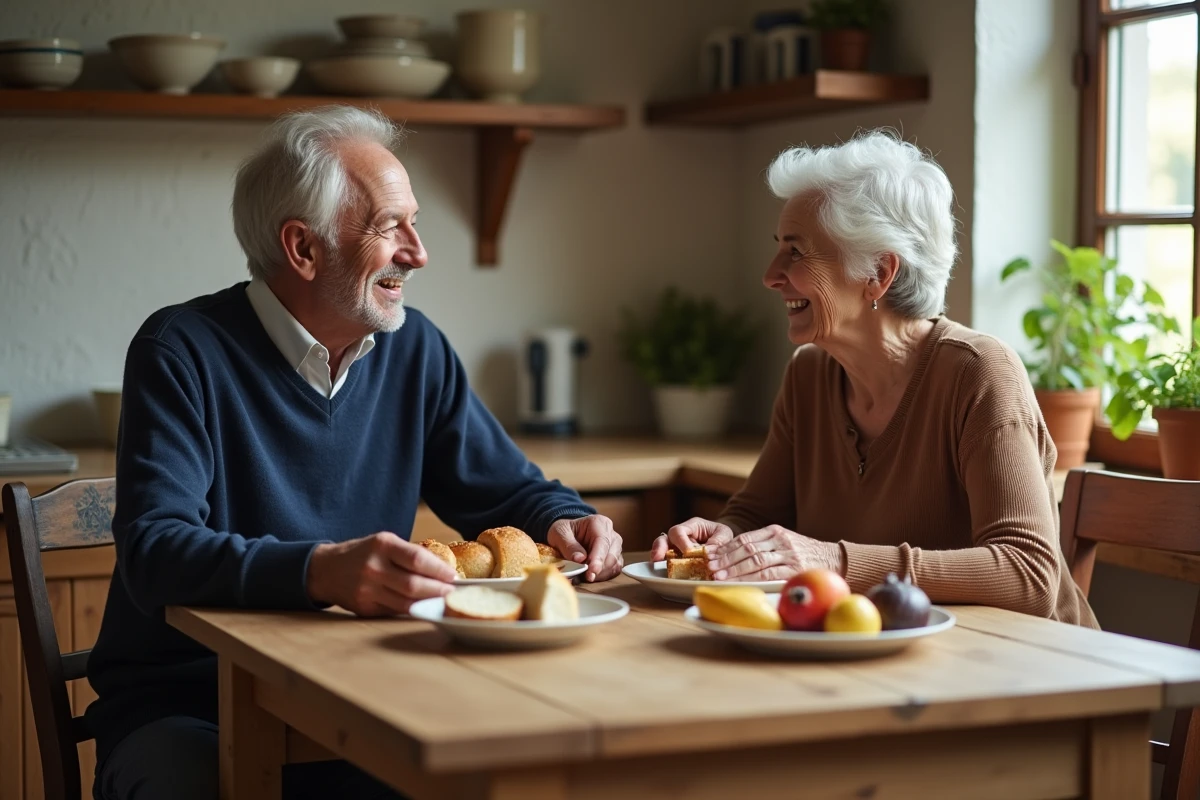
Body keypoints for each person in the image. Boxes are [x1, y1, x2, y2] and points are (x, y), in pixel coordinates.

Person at [86, 105, 625, 800]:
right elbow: (155, 552)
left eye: (415, 221)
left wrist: (564, 519)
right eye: (389, 226)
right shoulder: (180, 350)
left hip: (360, 696)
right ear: (303, 249)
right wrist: (320, 572)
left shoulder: (416, 349)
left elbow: (504, 489)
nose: (419, 251)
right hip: (190, 709)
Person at [651, 131, 1097, 628]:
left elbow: (1028, 576)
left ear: (878, 273)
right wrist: (723, 539)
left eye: (796, 253)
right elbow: (755, 513)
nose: (771, 275)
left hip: (1035, 674)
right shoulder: (809, 375)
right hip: (894, 663)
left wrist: (835, 562)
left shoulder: (979, 373)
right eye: (779, 248)